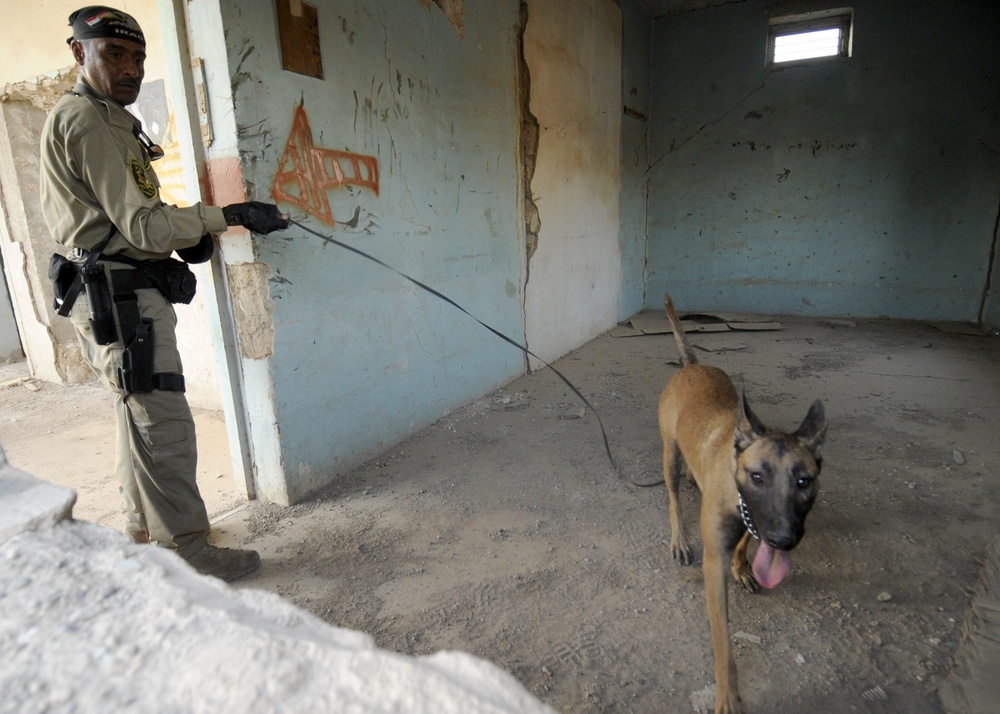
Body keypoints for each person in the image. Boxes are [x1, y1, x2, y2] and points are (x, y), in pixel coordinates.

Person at [40, 6, 288, 582]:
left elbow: (135, 215)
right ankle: (189, 551)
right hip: (119, 297)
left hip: (115, 288)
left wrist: (189, 229)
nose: (130, 69)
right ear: (80, 54)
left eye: (137, 59)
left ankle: (145, 533)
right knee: (163, 420)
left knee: (138, 413)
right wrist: (222, 217)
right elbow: (144, 227)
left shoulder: (110, 118)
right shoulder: (89, 122)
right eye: (114, 56)